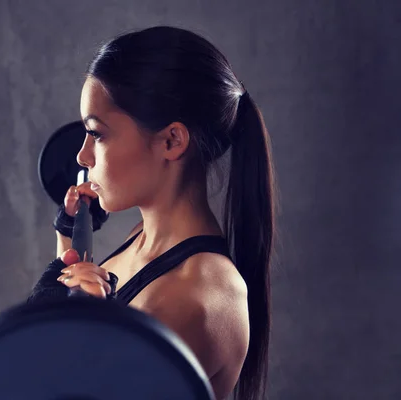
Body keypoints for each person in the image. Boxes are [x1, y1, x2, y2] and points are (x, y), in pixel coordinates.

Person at [28, 26, 276, 400]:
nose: (82, 156)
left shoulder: (197, 299)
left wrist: (91, 331)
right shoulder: (145, 240)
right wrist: (70, 233)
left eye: (97, 135)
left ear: (171, 141)